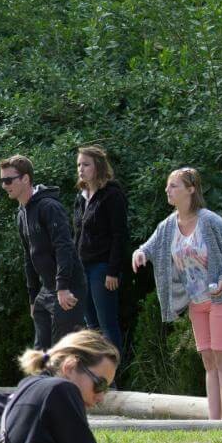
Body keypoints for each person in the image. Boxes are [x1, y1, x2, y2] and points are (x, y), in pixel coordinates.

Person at [132, 168, 222, 420]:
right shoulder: (168, 226)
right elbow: (147, 248)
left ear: (191, 189)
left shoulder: (209, 220)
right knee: (208, 362)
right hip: (196, 303)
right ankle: (214, 423)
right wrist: (139, 254)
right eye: (167, 186)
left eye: (173, 186)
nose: (167, 190)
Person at [0, 154, 85, 349]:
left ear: (26, 179)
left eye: (8, 180)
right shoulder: (21, 214)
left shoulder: (49, 207)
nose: (4, 185)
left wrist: (62, 287)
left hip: (67, 287)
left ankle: (104, 377)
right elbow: (28, 257)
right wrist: (33, 298)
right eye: (2, 180)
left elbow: (65, 247)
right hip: (46, 291)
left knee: (62, 352)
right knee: (41, 354)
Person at [73, 145, 129, 355]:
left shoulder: (112, 195)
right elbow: (76, 235)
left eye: (86, 164)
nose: (81, 169)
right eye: (79, 164)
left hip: (102, 268)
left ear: (98, 166)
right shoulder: (81, 196)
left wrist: (113, 270)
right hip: (82, 267)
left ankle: (113, 379)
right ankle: (97, 376)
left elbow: (119, 235)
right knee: (91, 327)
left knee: (107, 324)